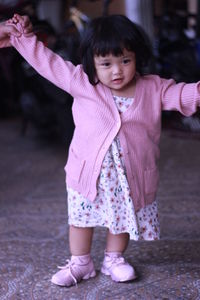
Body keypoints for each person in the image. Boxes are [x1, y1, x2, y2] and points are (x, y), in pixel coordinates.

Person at [2, 13, 200, 287]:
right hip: (89, 176)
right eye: (106, 63)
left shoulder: (152, 88)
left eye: (125, 61)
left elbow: (180, 94)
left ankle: (114, 258)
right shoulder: (82, 83)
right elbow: (49, 64)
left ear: (137, 58)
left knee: (122, 218)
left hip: (130, 178)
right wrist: (22, 39)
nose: (117, 71)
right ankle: (80, 262)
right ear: (91, 63)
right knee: (81, 220)